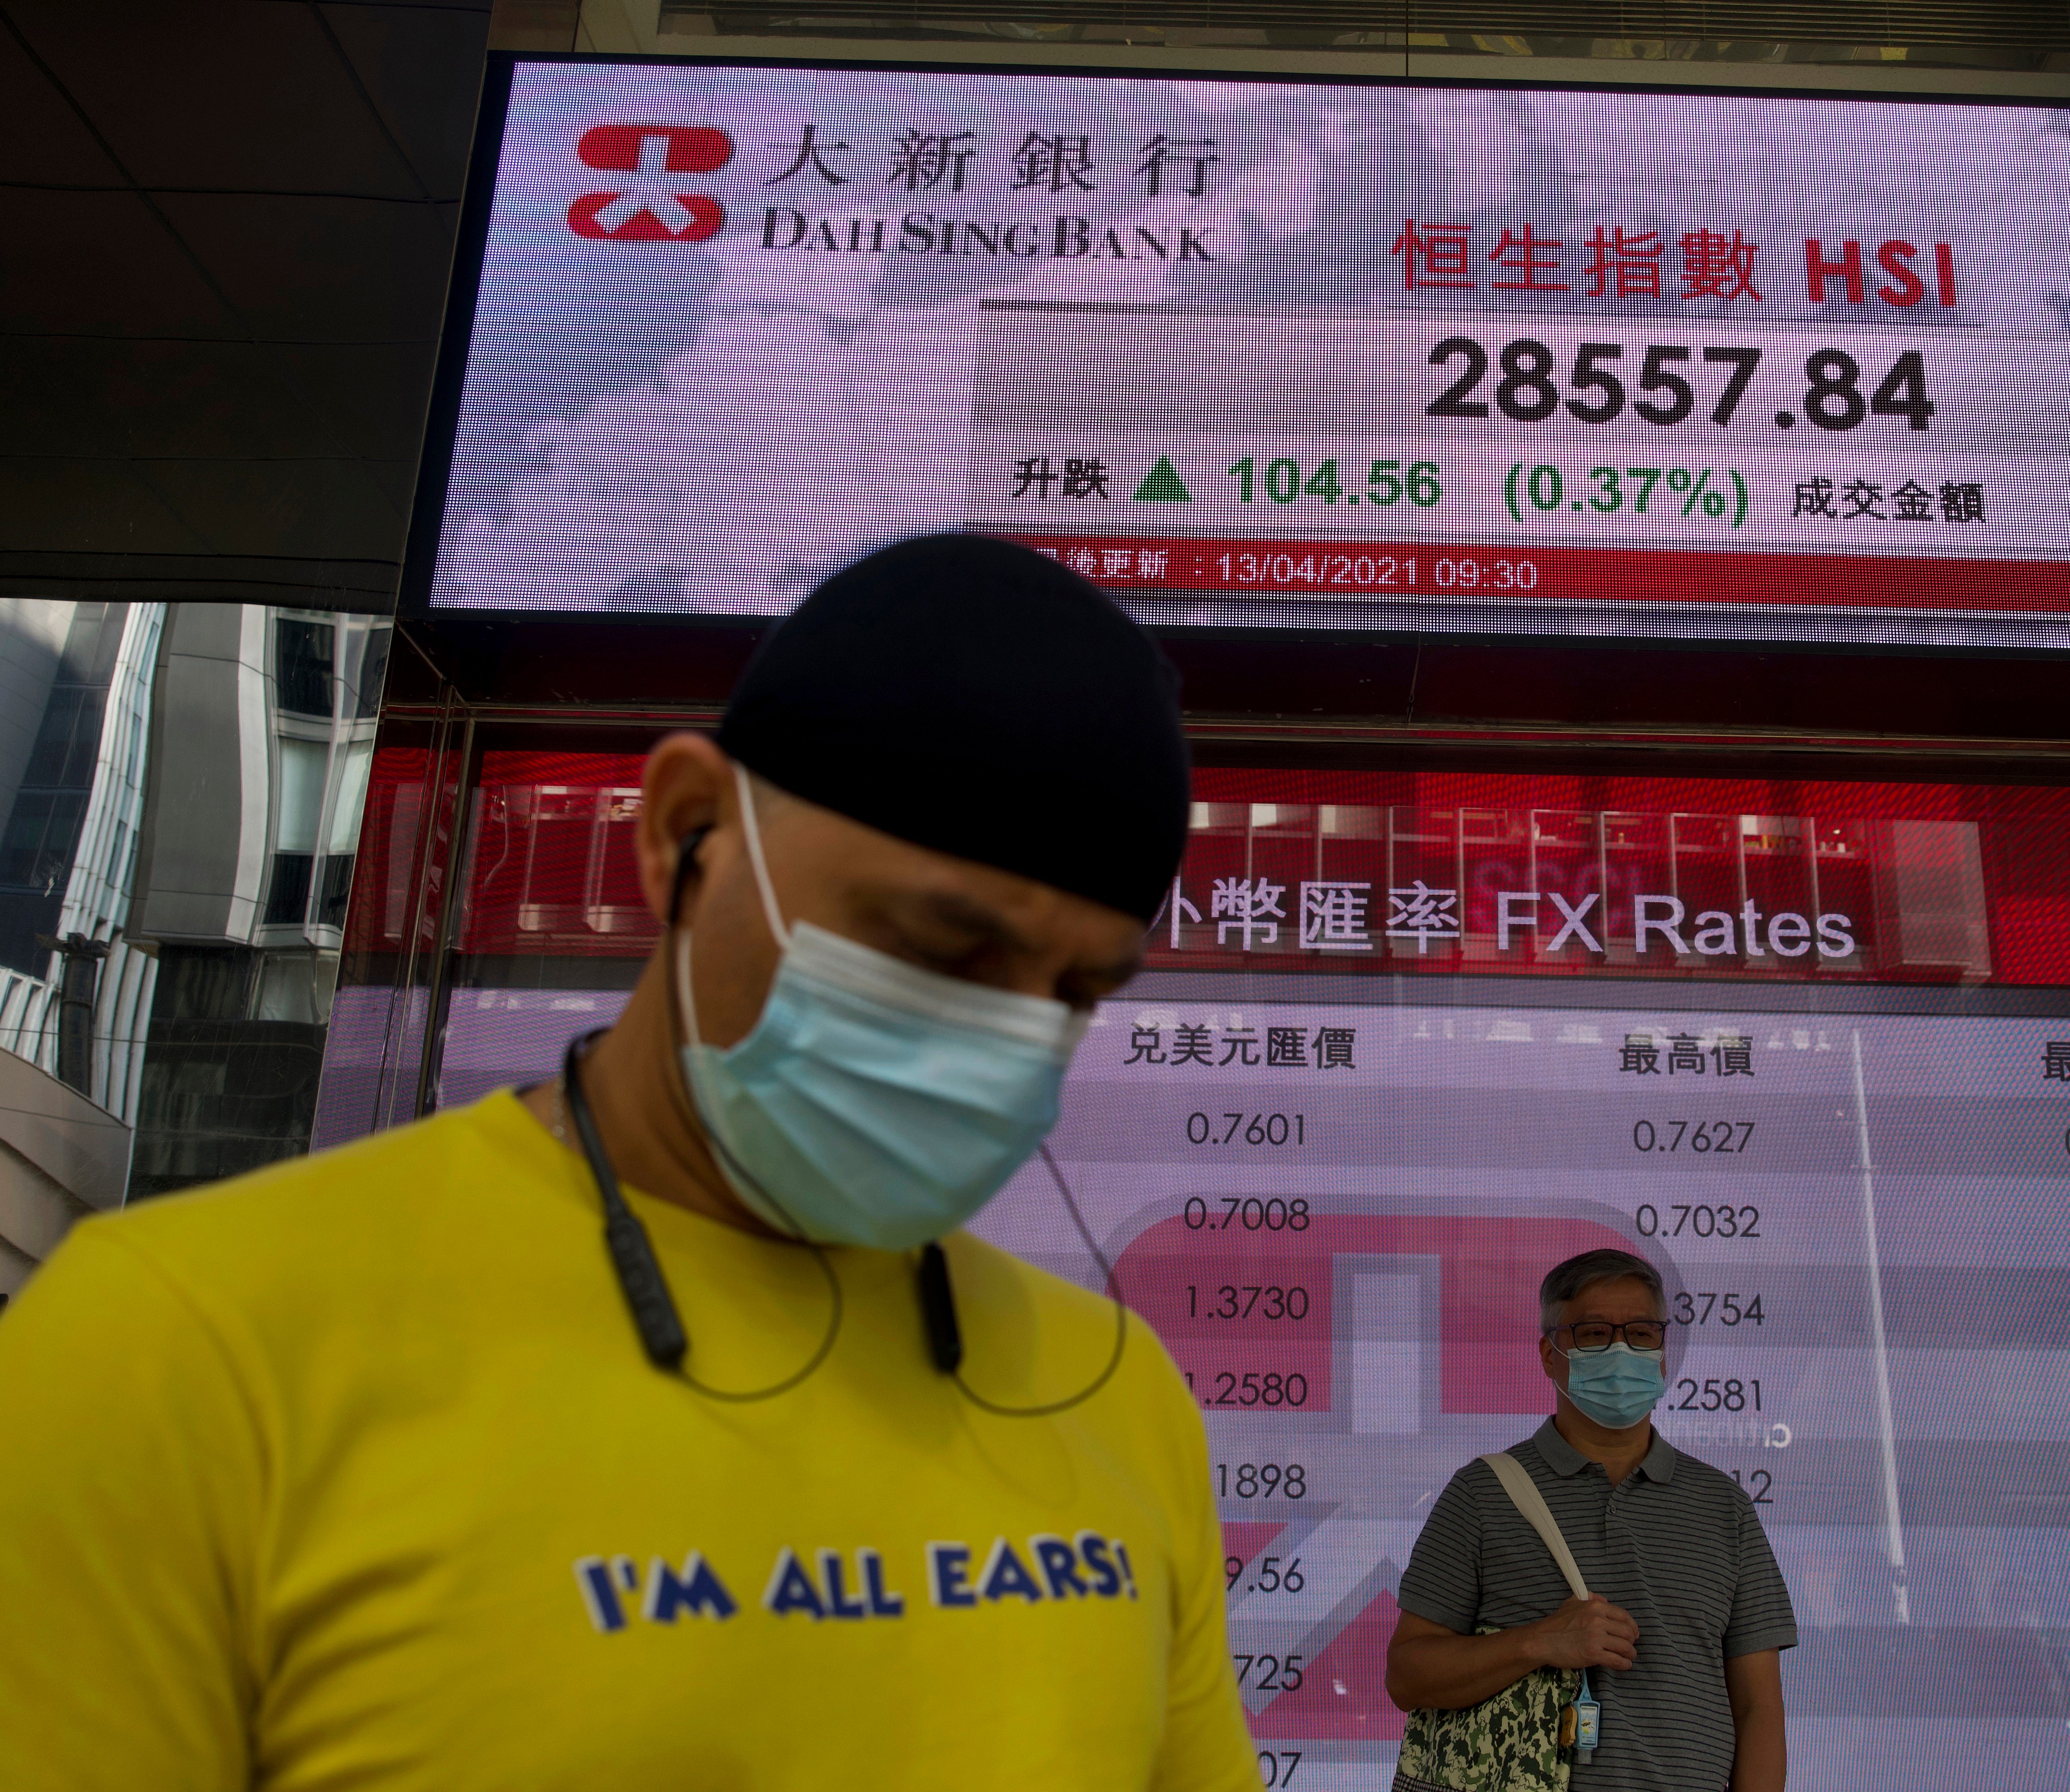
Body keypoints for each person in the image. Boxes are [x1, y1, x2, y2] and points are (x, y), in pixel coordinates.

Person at [0, 536, 1261, 1789]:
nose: (1004, 1042)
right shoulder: (183, 1348)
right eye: (938, 945)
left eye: (1074, 992)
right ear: (686, 830)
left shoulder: (1113, 1394)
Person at [1386, 1248, 1797, 1791]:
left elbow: (1759, 1708)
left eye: (1642, 1333)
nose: (1621, 1349)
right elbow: (1406, 1675)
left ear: (1664, 1351)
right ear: (1549, 1353)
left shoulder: (1725, 1508)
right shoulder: (1483, 1493)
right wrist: (1536, 1642)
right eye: (1595, 1333)